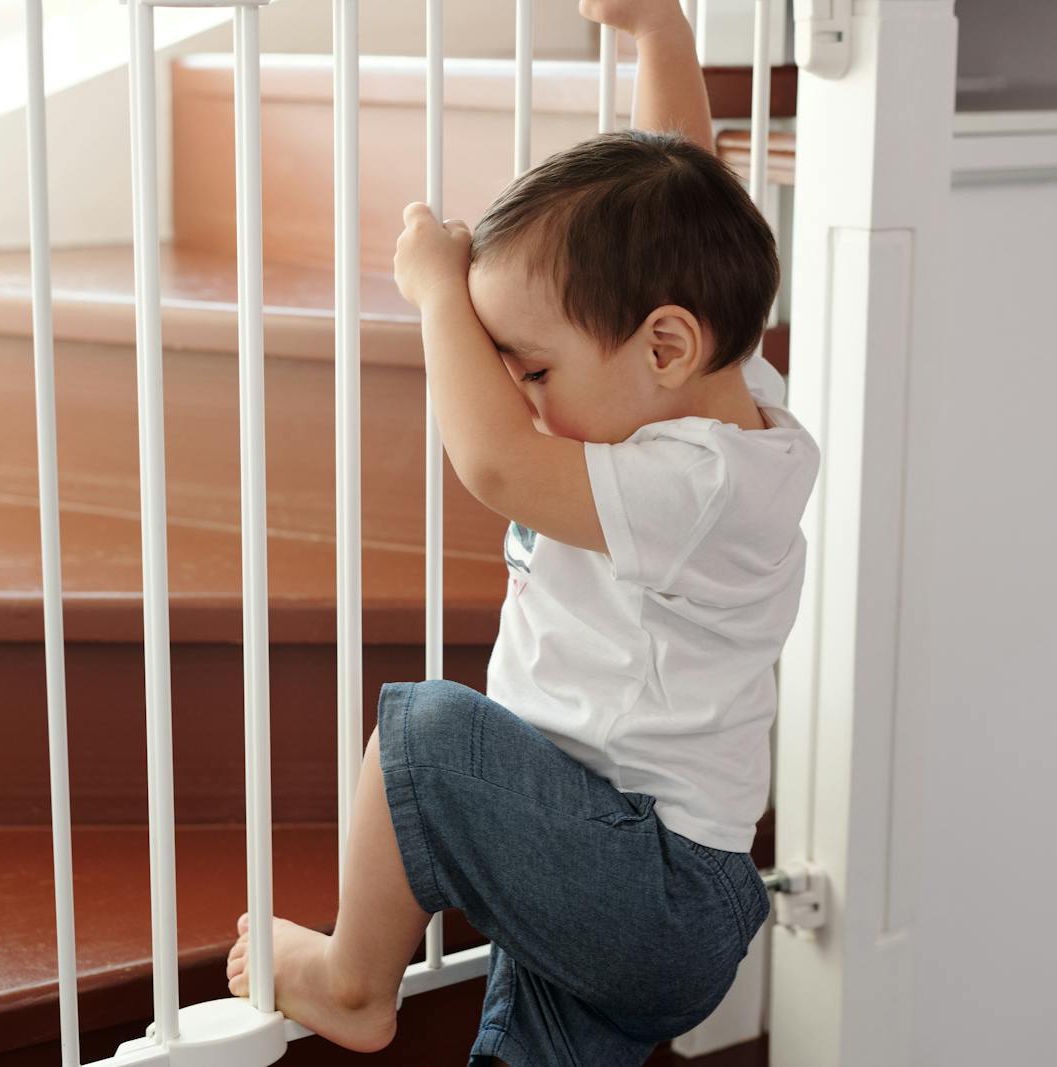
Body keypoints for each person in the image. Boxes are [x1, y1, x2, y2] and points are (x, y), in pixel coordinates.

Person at [226, 2, 819, 1063]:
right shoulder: (732, 393)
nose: (522, 400)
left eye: (534, 369)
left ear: (667, 346)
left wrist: (436, 295)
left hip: (646, 876)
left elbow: (493, 463)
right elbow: (687, 177)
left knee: (428, 734)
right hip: (630, 865)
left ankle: (355, 980)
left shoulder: (692, 480)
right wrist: (660, 40)